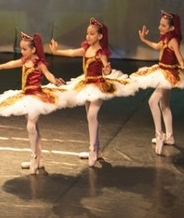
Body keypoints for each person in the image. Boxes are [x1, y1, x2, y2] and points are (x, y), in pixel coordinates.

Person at [49, 18, 137, 167]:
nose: (88, 36)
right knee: (90, 117)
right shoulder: (86, 49)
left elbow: (106, 68)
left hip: (97, 85)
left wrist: (107, 70)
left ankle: (92, 150)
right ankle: (97, 149)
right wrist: (56, 51)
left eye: (91, 34)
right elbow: (71, 53)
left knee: (92, 115)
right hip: (85, 83)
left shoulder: (101, 53)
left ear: (100, 36)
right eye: (87, 33)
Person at [0, 32, 66, 174]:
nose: (22, 52)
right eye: (21, 49)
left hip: (36, 97)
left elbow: (48, 74)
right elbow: (13, 63)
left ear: (33, 50)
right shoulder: (25, 61)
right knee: (34, 128)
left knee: (31, 126)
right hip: (25, 97)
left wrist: (55, 81)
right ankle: (39, 159)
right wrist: (0, 67)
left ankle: (33, 158)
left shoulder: (39, 63)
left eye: (24, 49)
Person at [130, 11, 184, 155]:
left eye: (163, 25)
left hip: (168, 74)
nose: (159, 27)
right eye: (160, 24)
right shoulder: (166, 38)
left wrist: (183, 65)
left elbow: (179, 57)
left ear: (172, 28)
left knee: (152, 101)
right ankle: (170, 137)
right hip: (162, 70)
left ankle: (159, 134)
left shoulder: (172, 41)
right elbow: (156, 46)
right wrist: (143, 39)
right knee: (164, 105)